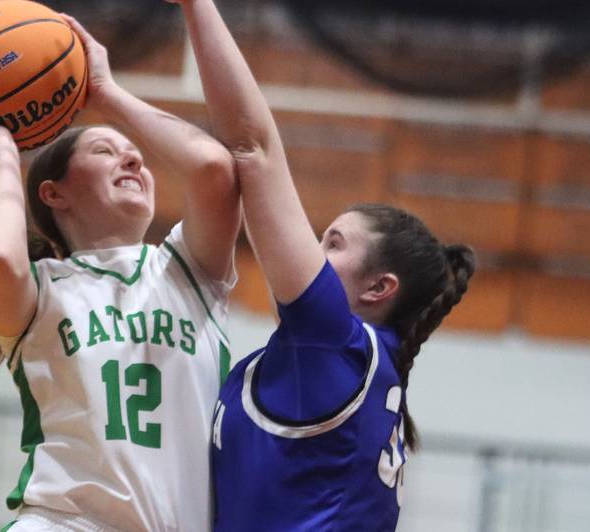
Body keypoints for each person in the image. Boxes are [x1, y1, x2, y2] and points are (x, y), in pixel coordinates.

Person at [166, 0, 476, 530]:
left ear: (379, 287)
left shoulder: (336, 345)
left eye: (332, 243)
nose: (312, 250)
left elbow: (252, 147)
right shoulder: (349, 364)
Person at [0, 13, 240, 532]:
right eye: (105, 151)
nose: (134, 163)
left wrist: (106, 94)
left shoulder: (190, 270)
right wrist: (1, 150)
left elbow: (214, 169)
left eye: (137, 157)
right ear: (55, 193)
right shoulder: (41, 292)